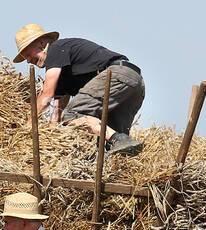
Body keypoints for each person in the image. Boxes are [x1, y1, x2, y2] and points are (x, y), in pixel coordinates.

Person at [14, 24, 145, 156]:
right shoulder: (63, 74)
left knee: (72, 116)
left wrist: (29, 125)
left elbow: (47, 93)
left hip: (117, 76)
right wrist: (51, 138)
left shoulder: (56, 49)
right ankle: (120, 143)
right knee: (111, 148)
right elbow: (56, 116)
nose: (28, 61)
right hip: (134, 82)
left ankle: (117, 138)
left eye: (27, 54)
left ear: (41, 43)